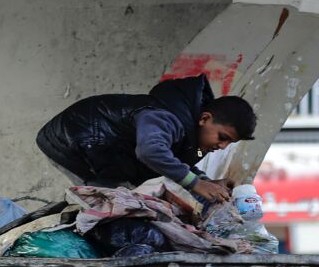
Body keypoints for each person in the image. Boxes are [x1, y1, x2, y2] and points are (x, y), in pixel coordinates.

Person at [36, 74, 257, 202]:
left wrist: (206, 180)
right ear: (204, 119)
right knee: (110, 202)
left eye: (229, 143)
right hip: (75, 140)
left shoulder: (196, 145)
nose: (222, 146)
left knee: (118, 199)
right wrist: (195, 183)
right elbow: (151, 152)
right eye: (222, 137)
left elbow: (183, 162)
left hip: (105, 152)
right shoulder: (165, 118)